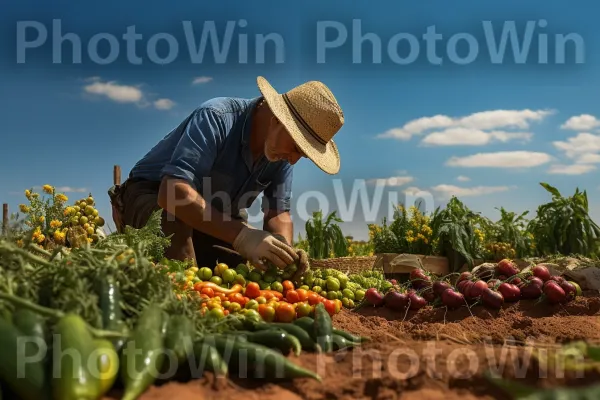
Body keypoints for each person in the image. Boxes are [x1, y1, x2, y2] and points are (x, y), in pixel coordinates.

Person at [108, 76, 344, 271]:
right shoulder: (217, 117)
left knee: (239, 268)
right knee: (182, 262)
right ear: (277, 120)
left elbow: (277, 213)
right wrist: (242, 235)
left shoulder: (280, 156)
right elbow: (172, 193)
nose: (293, 159)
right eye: (296, 148)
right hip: (154, 196)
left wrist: (282, 249)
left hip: (212, 213)